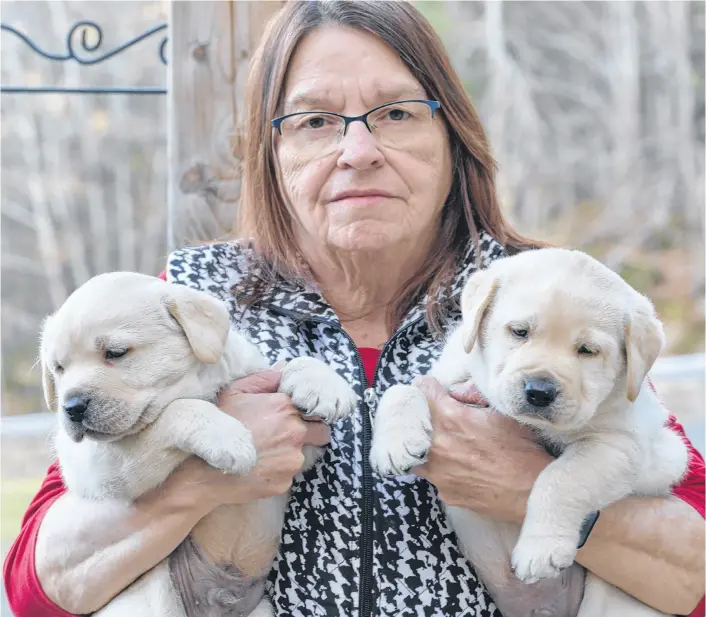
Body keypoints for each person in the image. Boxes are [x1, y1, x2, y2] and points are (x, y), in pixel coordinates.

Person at [4, 2, 704, 616]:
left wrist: (531, 488)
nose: (357, 151)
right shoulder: (187, 300)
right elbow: (35, 587)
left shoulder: (541, 294)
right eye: (314, 121)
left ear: (452, 136)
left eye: (396, 113)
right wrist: (194, 478)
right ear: (272, 154)